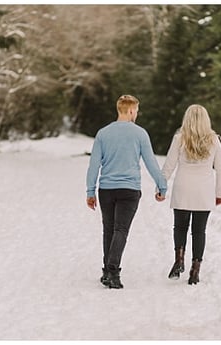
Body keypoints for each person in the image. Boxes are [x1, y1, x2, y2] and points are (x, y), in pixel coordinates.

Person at [85, 94, 168, 289]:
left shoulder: (103, 133)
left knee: (109, 230)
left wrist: (90, 191)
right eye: (137, 111)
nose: (137, 114)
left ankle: (107, 271)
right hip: (129, 190)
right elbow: (151, 162)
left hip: (106, 190)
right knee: (121, 230)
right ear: (131, 110)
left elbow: (93, 165)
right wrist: (161, 185)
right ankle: (113, 271)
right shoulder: (140, 134)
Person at [160, 104, 221, 285]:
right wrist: (220, 193)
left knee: (180, 227)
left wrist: (161, 186)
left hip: (183, 188)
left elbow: (169, 165)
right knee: (199, 231)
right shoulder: (214, 140)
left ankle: (179, 259)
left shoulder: (179, 139)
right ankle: (195, 270)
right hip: (203, 193)